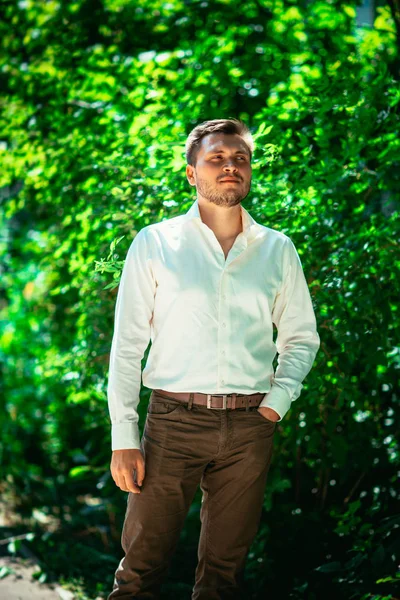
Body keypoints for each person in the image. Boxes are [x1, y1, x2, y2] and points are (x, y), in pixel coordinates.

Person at [106, 118, 320, 600]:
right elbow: (127, 345)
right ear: (191, 173)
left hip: (249, 429)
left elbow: (301, 337)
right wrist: (123, 435)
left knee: (223, 579)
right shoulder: (156, 243)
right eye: (216, 159)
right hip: (172, 424)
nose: (230, 167)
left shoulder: (277, 250)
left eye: (239, 158)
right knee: (139, 571)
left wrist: (276, 403)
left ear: (249, 171)